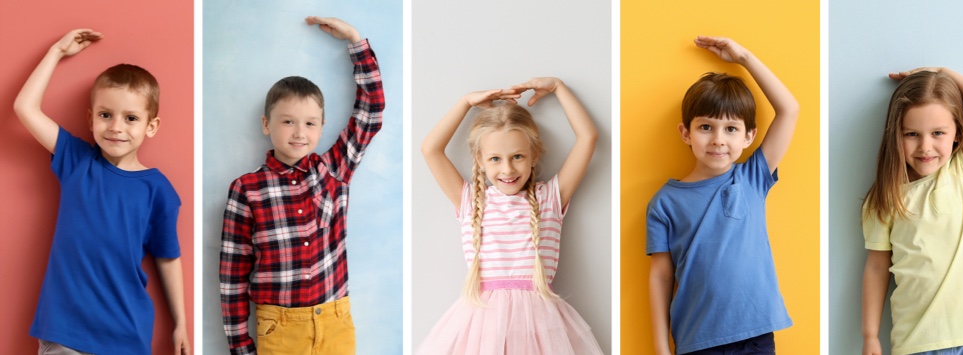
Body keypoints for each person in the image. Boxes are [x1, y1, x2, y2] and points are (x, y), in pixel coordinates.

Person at [13, 29, 190, 354]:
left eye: (131, 118)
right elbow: (24, 107)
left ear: (151, 126)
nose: (116, 127)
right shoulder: (77, 161)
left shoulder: (158, 190)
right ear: (91, 118)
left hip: (127, 336)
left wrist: (180, 323)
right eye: (106, 115)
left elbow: (168, 257)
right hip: (64, 332)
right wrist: (56, 51)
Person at [218, 16, 384, 355]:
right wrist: (239, 344)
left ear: (321, 128)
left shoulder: (334, 169)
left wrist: (355, 41)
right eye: (288, 121)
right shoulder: (246, 189)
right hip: (278, 327)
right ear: (267, 124)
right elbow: (233, 274)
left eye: (309, 123)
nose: (298, 132)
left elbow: (372, 110)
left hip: (335, 320)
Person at [418, 77, 603, 354]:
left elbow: (588, 137)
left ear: (534, 155)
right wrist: (466, 101)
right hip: (481, 323)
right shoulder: (471, 201)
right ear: (479, 160)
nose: (507, 169)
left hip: (541, 325)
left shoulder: (549, 198)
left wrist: (557, 88)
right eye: (495, 159)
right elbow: (430, 149)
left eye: (517, 156)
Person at [647, 36, 799, 354]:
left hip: (757, 336)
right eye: (706, 127)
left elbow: (789, 109)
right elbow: (661, 277)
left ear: (749, 137)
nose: (718, 139)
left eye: (731, 129)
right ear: (686, 132)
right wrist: (661, 348)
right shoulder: (664, 203)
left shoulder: (753, 177)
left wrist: (745, 57)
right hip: (697, 341)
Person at [861, 68, 963, 355]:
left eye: (938, 133)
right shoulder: (884, 198)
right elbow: (876, 268)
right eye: (912, 134)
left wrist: (942, 73)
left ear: (957, 135)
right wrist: (870, 335)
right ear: (895, 135)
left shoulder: (962, 173)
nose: (926, 146)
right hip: (915, 342)